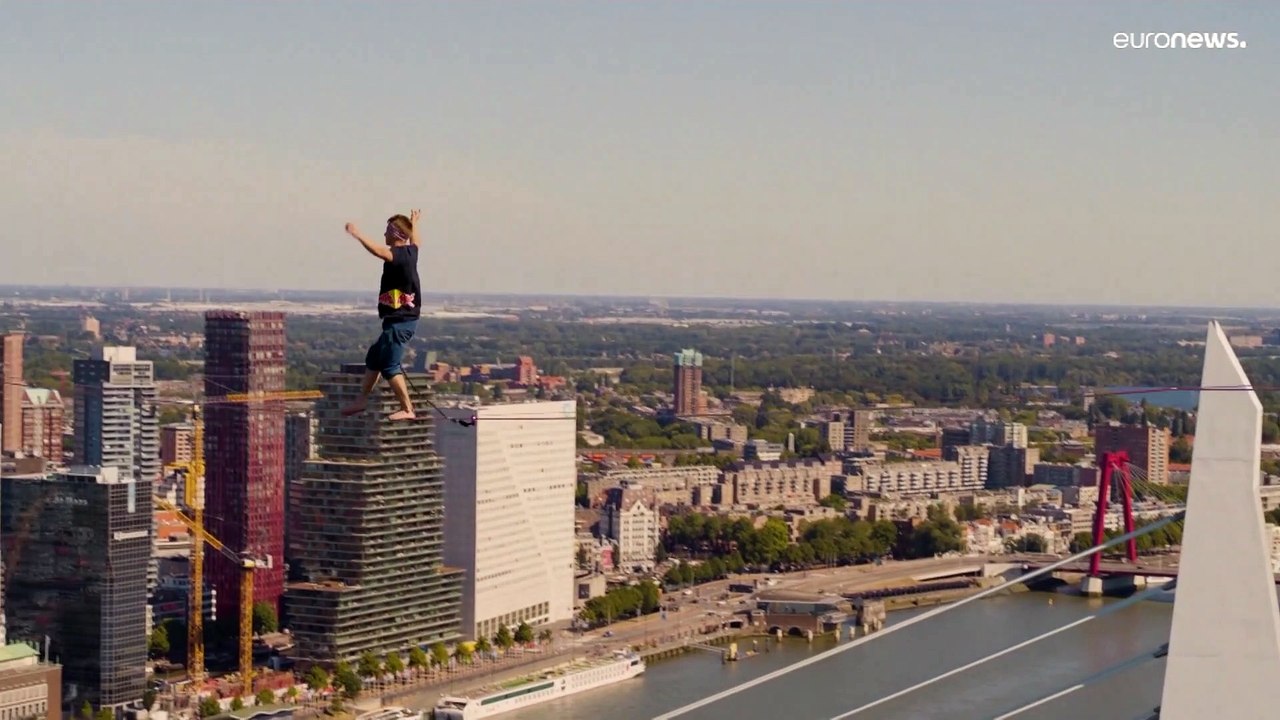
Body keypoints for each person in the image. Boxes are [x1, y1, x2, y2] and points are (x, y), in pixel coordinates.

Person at [341, 209, 422, 421]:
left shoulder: (398, 257)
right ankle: (362, 399)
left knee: (390, 366)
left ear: (396, 234)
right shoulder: (412, 252)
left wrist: (357, 234)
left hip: (400, 323)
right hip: (396, 321)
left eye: (387, 230)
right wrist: (414, 223)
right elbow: (416, 240)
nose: (384, 234)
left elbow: (378, 251)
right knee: (374, 358)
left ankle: (407, 408)